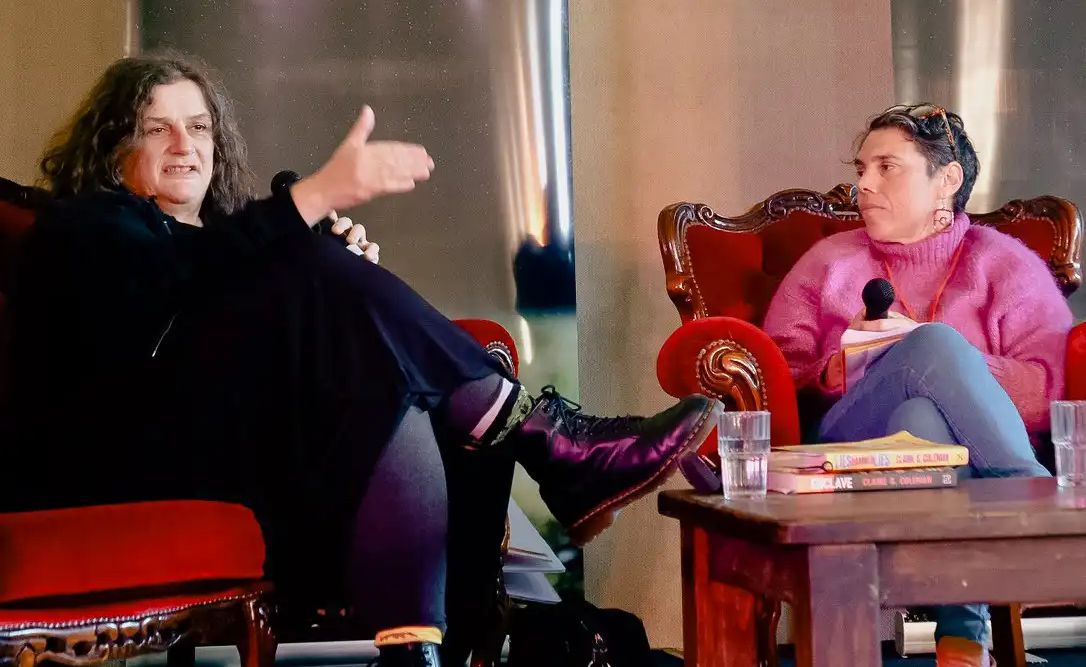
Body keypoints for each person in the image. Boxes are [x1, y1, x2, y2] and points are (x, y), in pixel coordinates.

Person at [0, 52, 722, 667]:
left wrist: (339, 285)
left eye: (199, 126)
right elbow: (166, 287)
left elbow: (235, 302)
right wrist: (309, 223)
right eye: (157, 127)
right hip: (130, 466)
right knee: (328, 291)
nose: (184, 143)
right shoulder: (83, 228)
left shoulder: (235, 241)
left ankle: (422, 651)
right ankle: (549, 439)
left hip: (265, 457)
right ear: (113, 144)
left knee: (382, 375)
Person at [762, 103, 1072, 667]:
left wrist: (950, 370)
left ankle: (961, 644)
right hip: (847, 446)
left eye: (887, 167)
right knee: (929, 347)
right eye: (862, 169)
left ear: (947, 179)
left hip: (948, 456)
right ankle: (1038, 505)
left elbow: (1046, 388)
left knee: (924, 417)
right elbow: (776, 370)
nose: (864, 184)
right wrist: (837, 368)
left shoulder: (1005, 264)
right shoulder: (827, 262)